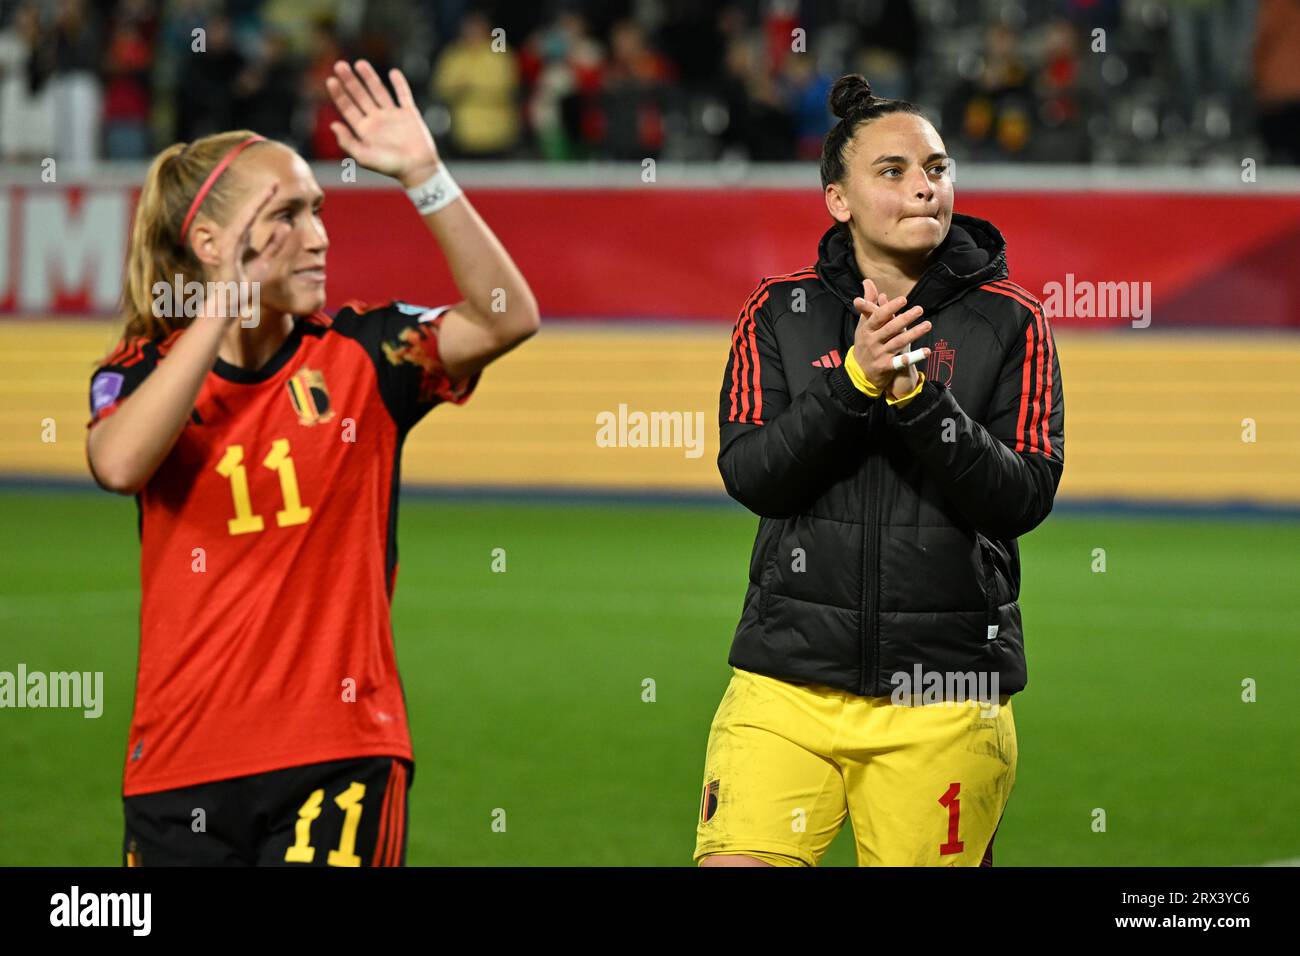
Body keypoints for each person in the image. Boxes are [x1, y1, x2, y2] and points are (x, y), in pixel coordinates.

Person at [85, 59, 539, 866]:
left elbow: (509, 317)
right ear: (211, 240)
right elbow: (119, 463)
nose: (320, 235)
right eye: (289, 214)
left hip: (338, 758)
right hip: (178, 766)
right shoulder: (140, 370)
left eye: (320, 211)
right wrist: (222, 300)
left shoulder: (367, 356)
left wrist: (426, 176)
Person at [695, 74, 1064, 867]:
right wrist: (855, 383)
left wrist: (922, 403)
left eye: (937, 168)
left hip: (945, 696)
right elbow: (753, 475)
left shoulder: (1013, 321)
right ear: (838, 199)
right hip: (786, 681)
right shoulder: (777, 311)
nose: (925, 186)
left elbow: (1023, 496)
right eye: (893, 171)